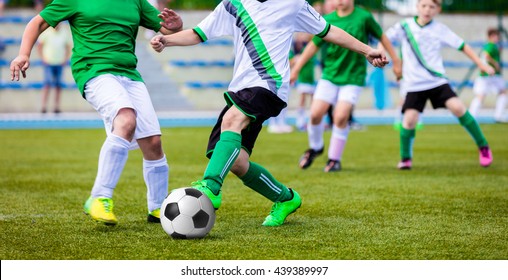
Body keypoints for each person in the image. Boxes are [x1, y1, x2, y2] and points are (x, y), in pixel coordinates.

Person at [151, 2, 388, 226]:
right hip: (240, 89)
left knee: (231, 120)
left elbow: (328, 31)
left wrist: (367, 50)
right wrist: (166, 40)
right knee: (237, 162)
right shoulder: (232, 4)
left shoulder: (293, 3)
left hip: (270, 85)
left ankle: (210, 187)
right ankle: (286, 198)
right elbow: (198, 33)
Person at [10, 0, 183, 226]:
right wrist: (24, 54)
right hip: (94, 71)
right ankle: (99, 197)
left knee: (152, 141)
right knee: (126, 119)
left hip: (129, 74)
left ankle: (158, 207)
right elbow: (38, 22)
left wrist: (176, 25)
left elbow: (165, 28)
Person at [383, 0, 495, 170]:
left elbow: (463, 46)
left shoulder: (440, 29)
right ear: (417, 7)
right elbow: (384, 39)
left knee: (458, 108)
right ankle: (406, 159)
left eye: (432, 7)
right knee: (409, 120)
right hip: (414, 84)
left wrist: (481, 64)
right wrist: (381, 53)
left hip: (437, 81)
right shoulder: (404, 26)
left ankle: (483, 146)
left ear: (438, 9)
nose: (427, 10)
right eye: (424, 6)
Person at [291, 0, 402, 172]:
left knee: (341, 116)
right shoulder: (326, 19)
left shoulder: (363, 17)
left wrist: (396, 61)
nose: (339, 1)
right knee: (314, 115)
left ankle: (334, 160)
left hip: (353, 76)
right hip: (330, 75)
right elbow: (313, 46)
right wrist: (296, 69)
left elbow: (383, 37)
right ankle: (316, 147)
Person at [469, 27, 507, 123]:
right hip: (488, 74)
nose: (497, 38)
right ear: (491, 36)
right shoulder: (490, 45)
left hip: (493, 76)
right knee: (481, 96)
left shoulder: (492, 45)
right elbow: (485, 56)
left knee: (503, 92)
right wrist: (493, 64)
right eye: (495, 36)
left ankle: (498, 116)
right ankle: (471, 116)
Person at [37, 23, 72, 113]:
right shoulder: (47, 31)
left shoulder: (64, 32)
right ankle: (44, 106)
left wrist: (65, 59)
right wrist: (43, 58)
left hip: (59, 63)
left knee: (58, 86)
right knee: (47, 84)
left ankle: (56, 107)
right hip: (49, 63)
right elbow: (40, 45)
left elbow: (68, 47)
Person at [291, 32, 318, 132]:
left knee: (313, 101)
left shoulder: (312, 49)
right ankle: (300, 122)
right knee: (302, 100)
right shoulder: (301, 51)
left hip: (311, 79)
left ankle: (312, 122)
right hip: (303, 78)